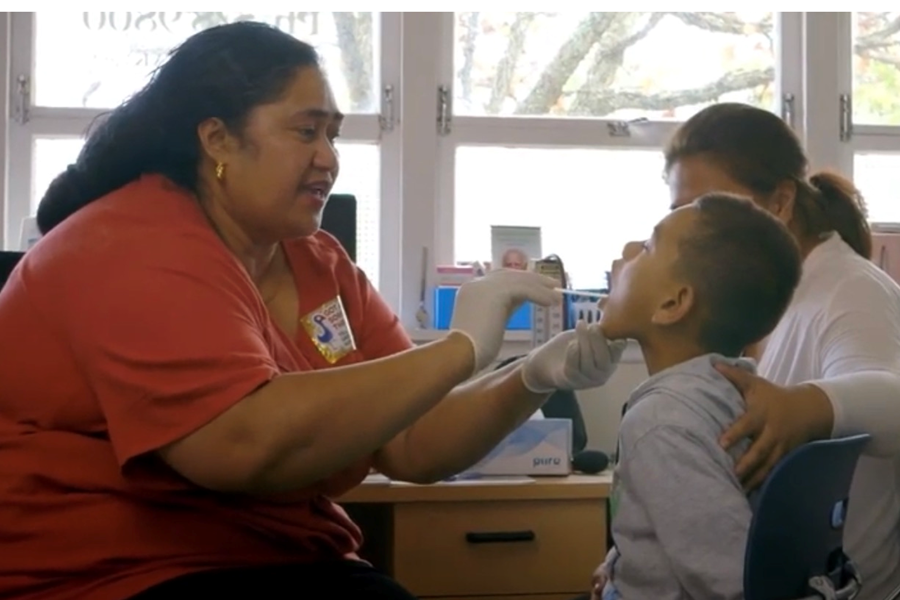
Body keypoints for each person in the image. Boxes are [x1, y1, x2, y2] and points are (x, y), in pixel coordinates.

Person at [0, 22, 626, 600]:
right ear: (217, 138)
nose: (329, 156)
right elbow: (237, 444)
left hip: (264, 556)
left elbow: (411, 441)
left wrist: (532, 377)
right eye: (306, 131)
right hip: (107, 570)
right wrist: (461, 348)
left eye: (334, 133)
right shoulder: (133, 242)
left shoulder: (317, 261)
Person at [661, 102, 900, 599]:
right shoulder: (759, 303)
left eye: (711, 209)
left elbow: (894, 401)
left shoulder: (850, 290)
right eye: (680, 215)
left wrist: (806, 407)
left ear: (780, 202)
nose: (691, 236)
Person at [588, 193, 803, 599]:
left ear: (672, 303)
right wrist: (622, 562)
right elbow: (681, 516)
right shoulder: (727, 394)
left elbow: (736, 582)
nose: (627, 251)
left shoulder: (662, 423)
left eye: (648, 247)